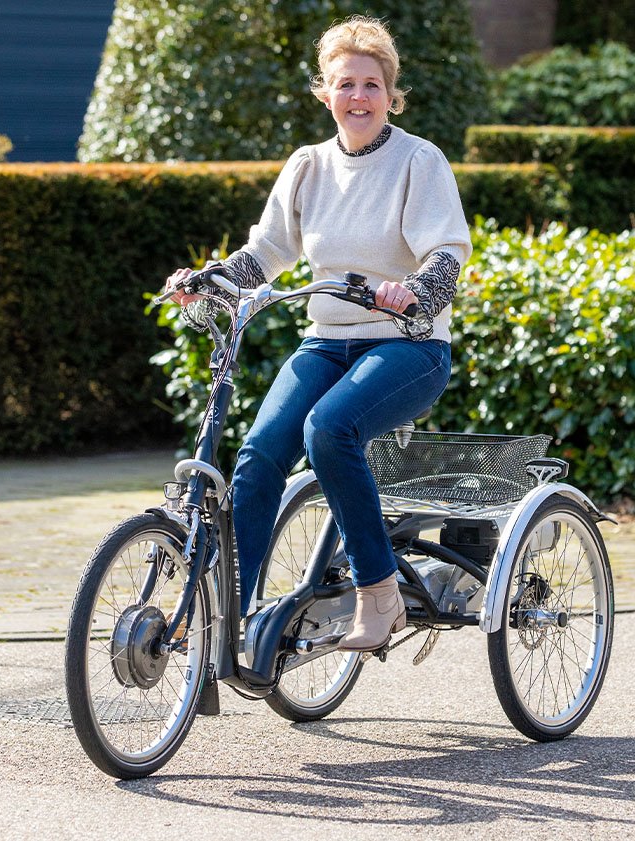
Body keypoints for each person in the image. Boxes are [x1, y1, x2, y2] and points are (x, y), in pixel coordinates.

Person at [166, 16, 471, 652]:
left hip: (408, 345)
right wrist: (209, 280)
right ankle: (232, 621)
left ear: (390, 94)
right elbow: (265, 253)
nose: (358, 97)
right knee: (258, 456)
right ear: (325, 94)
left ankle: (379, 594)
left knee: (328, 430)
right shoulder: (308, 166)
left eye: (370, 84)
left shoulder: (418, 160)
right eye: (344, 85)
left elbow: (446, 252)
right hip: (328, 341)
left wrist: (415, 290)